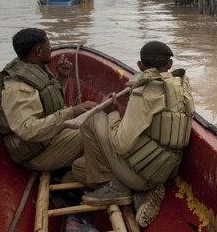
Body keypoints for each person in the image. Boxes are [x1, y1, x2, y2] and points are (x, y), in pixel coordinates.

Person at [77, 41, 194, 228]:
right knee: (78, 167)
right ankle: (139, 189)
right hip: (169, 169)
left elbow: (120, 144)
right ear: (170, 65)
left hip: (143, 175)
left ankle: (115, 187)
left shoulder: (145, 90)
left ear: (140, 66)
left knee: (92, 119)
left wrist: (113, 111)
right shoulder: (181, 83)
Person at [0, 28, 98, 173]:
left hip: (50, 139)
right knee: (96, 131)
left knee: (96, 120)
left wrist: (61, 78)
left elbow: (47, 103)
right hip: (39, 154)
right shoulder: (18, 87)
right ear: (38, 51)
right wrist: (72, 112)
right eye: (48, 45)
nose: (51, 49)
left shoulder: (35, 67)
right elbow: (28, 130)